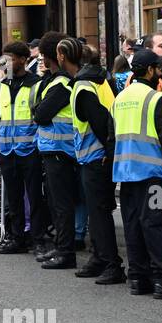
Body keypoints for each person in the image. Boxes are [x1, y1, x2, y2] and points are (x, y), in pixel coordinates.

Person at [110, 48, 162, 299]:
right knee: (155, 224)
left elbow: (111, 136)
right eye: (158, 68)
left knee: (133, 225)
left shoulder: (119, 99)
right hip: (152, 173)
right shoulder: (156, 99)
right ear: (149, 70)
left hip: (126, 173)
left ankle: (138, 278)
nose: (161, 72)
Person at [58, 38, 126, 284]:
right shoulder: (100, 81)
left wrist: (108, 151)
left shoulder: (84, 87)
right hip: (101, 155)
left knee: (98, 213)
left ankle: (111, 263)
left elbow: (99, 123)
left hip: (97, 157)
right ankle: (100, 257)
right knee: (99, 211)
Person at [0, 42, 44, 255]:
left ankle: (38, 239)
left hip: (30, 148)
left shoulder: (36, 84)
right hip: (6, 149)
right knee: (13, 197)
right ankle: (17, 237)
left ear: (23, 59)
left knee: (34, 196)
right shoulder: (1, 86)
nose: (6, 63)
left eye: (10, 58)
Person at [31, 32, 78, 270]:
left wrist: (38, 110)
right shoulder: (53, 81)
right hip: (53, 150)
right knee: (56, 203)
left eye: (41, 55)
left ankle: (65, 251)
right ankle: (61, 246)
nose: (40, 60)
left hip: (61, 151)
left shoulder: (61, 84)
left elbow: (39, 114)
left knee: (62, 205)